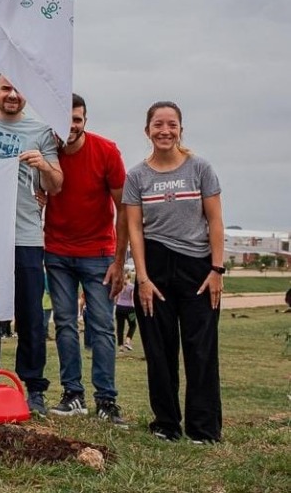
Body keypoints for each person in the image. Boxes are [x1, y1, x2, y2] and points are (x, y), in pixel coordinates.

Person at [124, 101, 224, 443]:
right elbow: (134, 229)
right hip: (154, 268)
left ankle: (204, 428)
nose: (165, 131)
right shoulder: (137, 175)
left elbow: (215, 220)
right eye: (158, 125)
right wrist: (142, 279)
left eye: (171, 124)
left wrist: (217, 269)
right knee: (159, 349)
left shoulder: (200, 168)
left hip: (198, 267)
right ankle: (166, 424)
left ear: (181, 129)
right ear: (147, 130)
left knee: (200, 349)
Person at [0, 74, 63, 417]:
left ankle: (32, 386)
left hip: (25, 236)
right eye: (6, 88)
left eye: (18, 88)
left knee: (31, 317)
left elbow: (56, 185)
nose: (12, 94)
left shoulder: (40, 132)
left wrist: (43, 165)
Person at [44, 93, 128, 427]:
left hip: (98, 254)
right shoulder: (48, 152)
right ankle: (72, 394)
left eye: (76, 120)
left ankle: (106, 400)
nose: (71, 127)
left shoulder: (106, 151)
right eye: (65, 120)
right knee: (64, 324)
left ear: (85, 120)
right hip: (58, 251)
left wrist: (120, 261)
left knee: (102, 327)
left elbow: (125, 209)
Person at [115, 272, 137, 351]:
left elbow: (116, 297)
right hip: (130, 309)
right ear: (129, 278)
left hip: (119, 308)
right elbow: (132, 298)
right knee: (133, 325)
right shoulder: (132, 287)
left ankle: (120, 346)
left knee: (120, 327)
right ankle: (127, 341)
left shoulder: (119, 285)